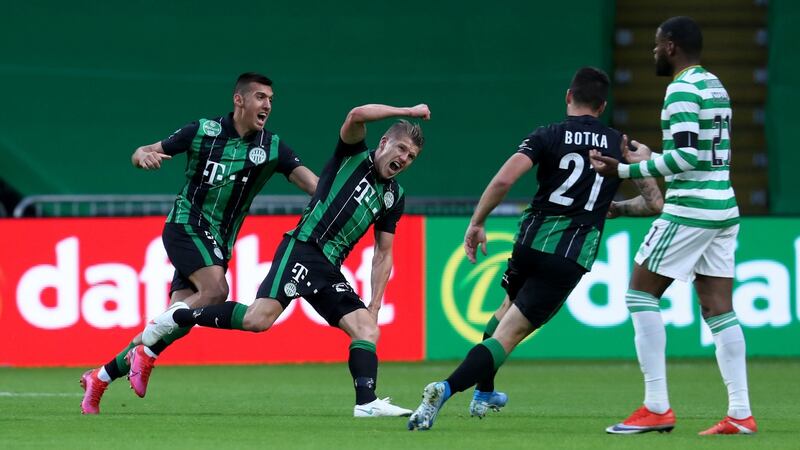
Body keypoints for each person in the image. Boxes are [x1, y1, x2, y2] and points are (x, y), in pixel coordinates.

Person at [407, 67, 663, 430]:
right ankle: (444, 389)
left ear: (568, 97)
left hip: (530, 242)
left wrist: (477, 222)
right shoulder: (621, 144)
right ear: (602, 105)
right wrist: (625, 199)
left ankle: (484, 392)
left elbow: (505, 179)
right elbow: (654, 203)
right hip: (570, 254)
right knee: (508, 335)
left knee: (503, 312)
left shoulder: (547, 134)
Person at [141, 103, 431, 417]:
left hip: (329, 268)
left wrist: (375, 306)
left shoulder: (394, 196)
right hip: (303, 249)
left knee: (367, 329)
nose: (403, 158)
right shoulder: (353, 154)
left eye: (411, 156)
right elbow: (356, 115)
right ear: (385, 142)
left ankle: (366, 403)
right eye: (401, 148)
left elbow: (383, 254)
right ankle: (179, 317)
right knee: (257, 320)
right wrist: (408, 111)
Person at [79, 72, 318, 414]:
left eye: (270, 100)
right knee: (216, 291)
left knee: (180, 321)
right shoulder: (202, 132)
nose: (267, 105)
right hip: (185, 225)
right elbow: (143, 151)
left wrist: (337, 201)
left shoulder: (272, 148)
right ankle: (144, 351)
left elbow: (313, 185)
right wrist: (141, 157)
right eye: (261, 97)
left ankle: (100, 377)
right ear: (240, 100)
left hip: (219, 242)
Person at [589, 16, 757, 436]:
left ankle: (656, 406)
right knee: (718, 308)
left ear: (670, 46)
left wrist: (628, 167)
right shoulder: (715, 85)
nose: (653, 52)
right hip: (723, 207)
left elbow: (686, 160)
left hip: (691, 209)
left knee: (639, 293)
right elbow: (700, 152)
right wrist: (652, 155)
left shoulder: (680, 89)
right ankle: (740, 413)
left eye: (656, 44)